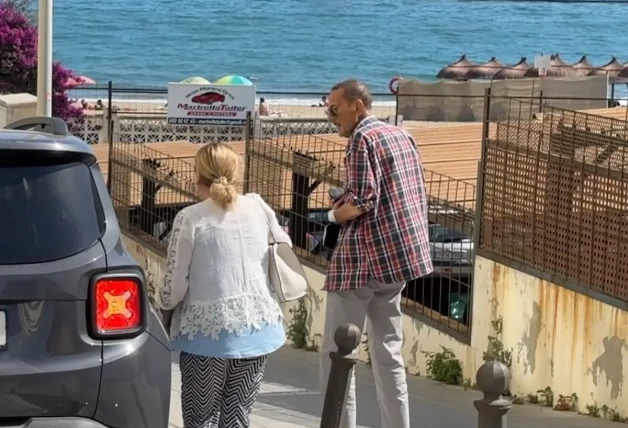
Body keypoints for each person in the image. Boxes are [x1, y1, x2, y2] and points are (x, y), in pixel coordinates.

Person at [320, 79, 433, 428]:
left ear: (357, 106)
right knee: (389, 354)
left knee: (338, 355)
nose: (331, 116)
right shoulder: (402, 135)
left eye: (335, 109)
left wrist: (331, 214)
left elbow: (363, 200)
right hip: (398, 258)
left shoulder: (361, 139)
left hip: (361, 261)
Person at [158, 143, 290, 428]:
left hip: (208, 335)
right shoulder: (258, 207)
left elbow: (174, 286)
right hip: (258, 328)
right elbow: (284, 248)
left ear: (198, 175)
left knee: (201, 418)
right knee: (237, 416)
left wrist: (162, 303)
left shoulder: (190, 218)